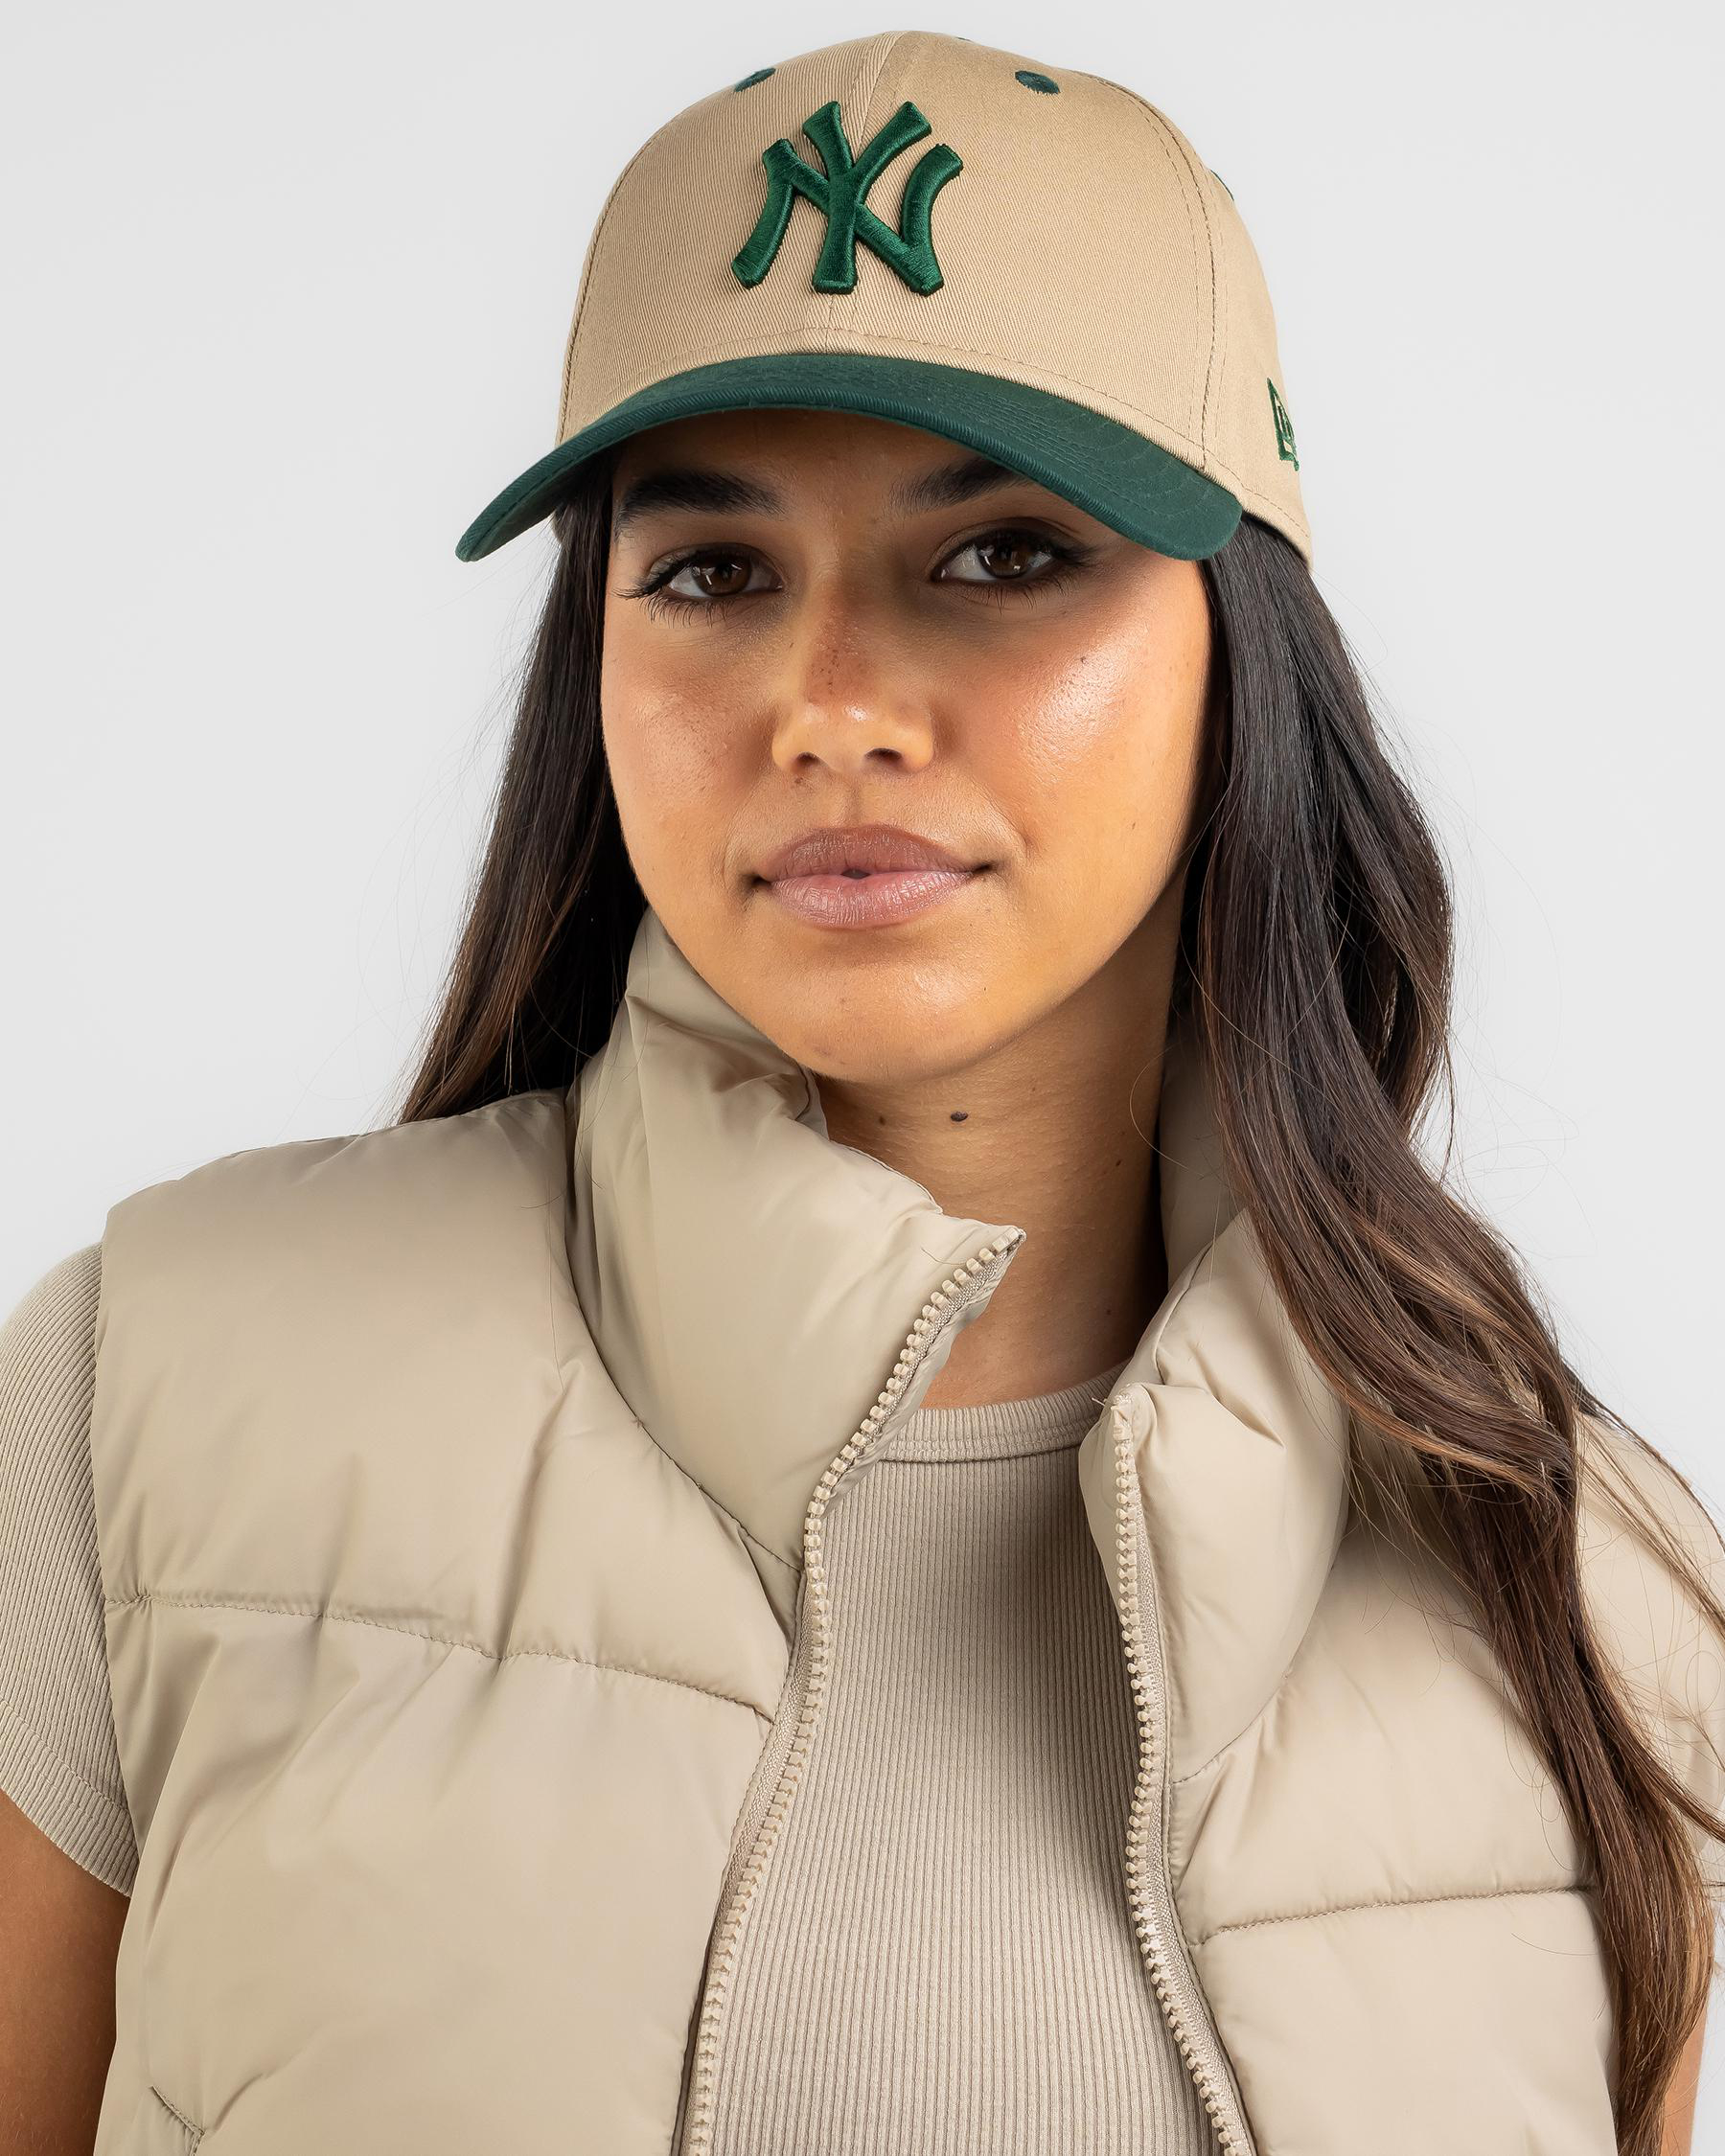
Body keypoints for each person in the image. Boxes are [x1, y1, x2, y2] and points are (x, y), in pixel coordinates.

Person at [1, 28, 1719, 2156]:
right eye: (712, 572)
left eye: (1004, 554)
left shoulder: (1585, 1579)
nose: (830, 707)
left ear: (1239, 643)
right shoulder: (154, 1395)